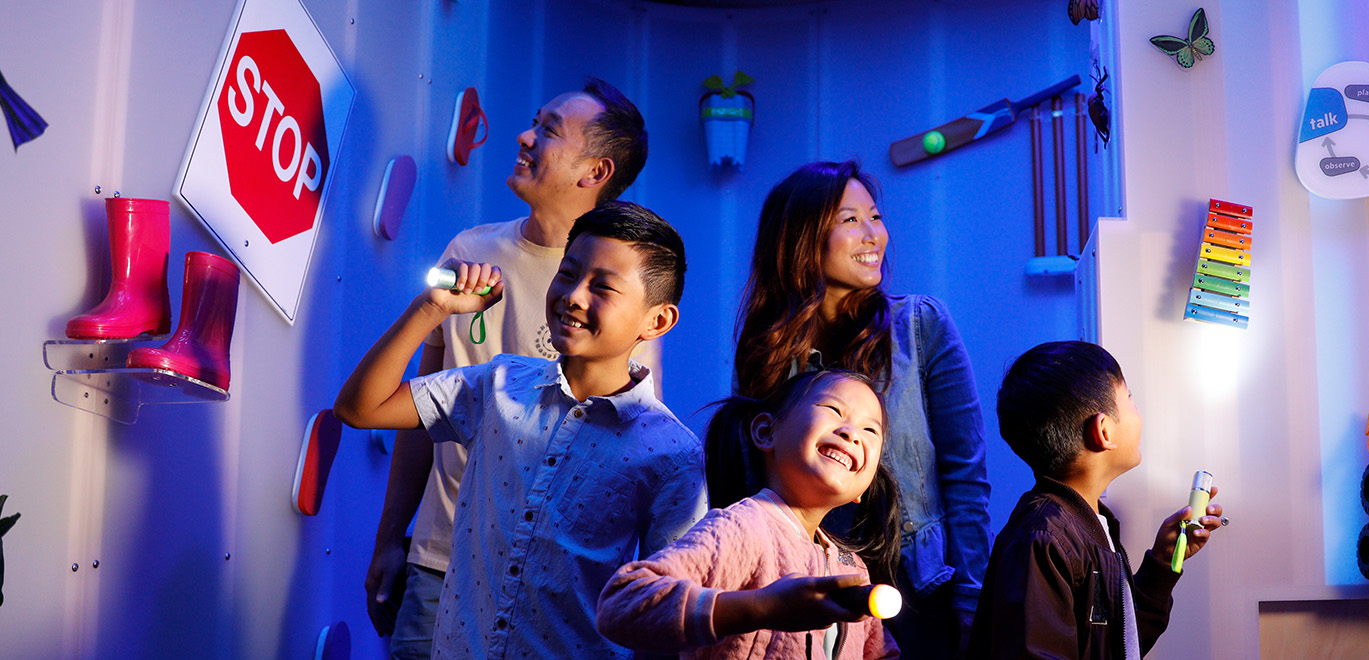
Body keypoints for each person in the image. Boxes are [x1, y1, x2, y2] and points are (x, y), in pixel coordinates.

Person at [362, 77, 652, 660]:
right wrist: (392, 536)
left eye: (549, 130)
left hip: (547, 580)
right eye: (535, 122)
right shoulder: (469, 251)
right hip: (439, 561)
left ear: (596, 172)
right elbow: (418, 411)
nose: (523, 136)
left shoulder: (627, 295)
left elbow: (626, 452)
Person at [336, 202, 704, 660]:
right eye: (567, 274)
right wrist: (432, 307)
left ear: (658, 321)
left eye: (603, 287)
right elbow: (358, 408)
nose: (574, 295)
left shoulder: (671, 455)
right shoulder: (497, 385)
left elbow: (663, 614)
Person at [734, 161, 988, 656]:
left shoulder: (920, 325)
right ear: (801, 237)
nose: (874, 235)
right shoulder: (768, 350)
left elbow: (966, 475)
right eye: (850, 220)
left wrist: (972, 598)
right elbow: (753, 484)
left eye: (875, 217)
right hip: (813, 584)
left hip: (922, 586)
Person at [596, 369, 902, 659]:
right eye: (834, 410)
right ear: (766, 432)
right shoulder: (743, 527)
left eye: (870, 430)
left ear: (864, 488)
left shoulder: (853, 569)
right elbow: (621, 604)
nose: (852, 433)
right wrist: (762, 608)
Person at [969, 341, 1224, 658]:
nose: (1138, 412)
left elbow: (1120, 645)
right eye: (1130, 399)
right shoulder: (1042, 539)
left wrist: (1162, 560)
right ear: (1104, 431)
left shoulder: (1089, 525)